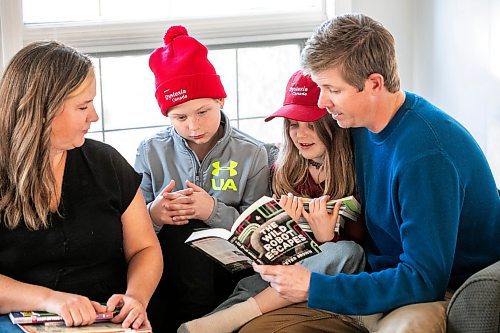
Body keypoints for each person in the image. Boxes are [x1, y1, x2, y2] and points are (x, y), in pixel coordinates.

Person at [240, 13, 500, 333]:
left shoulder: (425, 155)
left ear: (374, 84)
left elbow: (424, 279)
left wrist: (315, 287)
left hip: (440, 291)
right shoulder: (360, 127)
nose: (323, 101)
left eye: (332, 90)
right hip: (376, 276)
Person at [177, 70, 366, 333]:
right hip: (277, 274)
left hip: (327, 274)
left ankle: (240, 314)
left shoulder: (357, 171)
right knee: (253, 281)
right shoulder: (281, 166)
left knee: (346, 252)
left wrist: (325, 237)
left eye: (311, 125)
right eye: (293, 125)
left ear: (332, 123)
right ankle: (223, 318)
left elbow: (356, 253)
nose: (300, 135)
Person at [0, 41, 163, 332]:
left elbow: (145, 248)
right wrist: (52, 300)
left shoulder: (106, 162)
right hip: (18, 320)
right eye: (83, 106)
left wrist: (135, 298)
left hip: (104, 321)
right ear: (43, 110)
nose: (94, 116)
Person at [133, 26, 270, 332]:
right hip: (168, 268)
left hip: (229, 268)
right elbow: (131, 230)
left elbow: (259, 231)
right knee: (180, 238)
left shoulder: (253, 154)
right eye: (180, 117)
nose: (194, 126)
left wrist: (211, 210)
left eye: (203, 112)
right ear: (167, 116)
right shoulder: (150, 151)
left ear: (221, 100)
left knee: (198, 230)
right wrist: (154, 215)